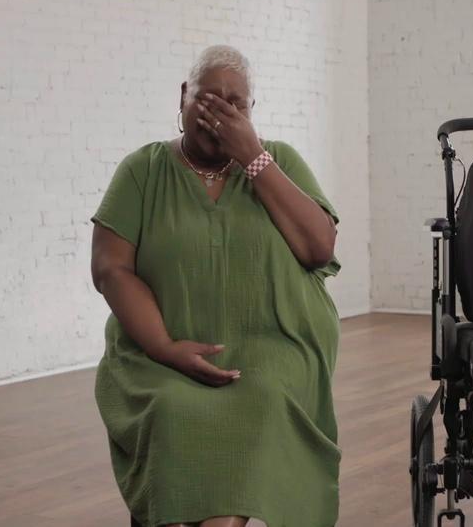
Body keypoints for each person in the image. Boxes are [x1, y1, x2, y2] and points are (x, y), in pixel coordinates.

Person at [90, 45, 341, 527]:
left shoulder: (279, 160)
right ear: (183, 97)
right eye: (208, 99)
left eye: (236, 104)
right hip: (158, 354)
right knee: (169, 409)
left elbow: (318, 248)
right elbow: (111, 269)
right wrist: (164, 347)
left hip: (271, 348)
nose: (221, 113)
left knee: (262, 400)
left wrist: (253, 157)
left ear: (251, 113)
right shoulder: (142, 171)